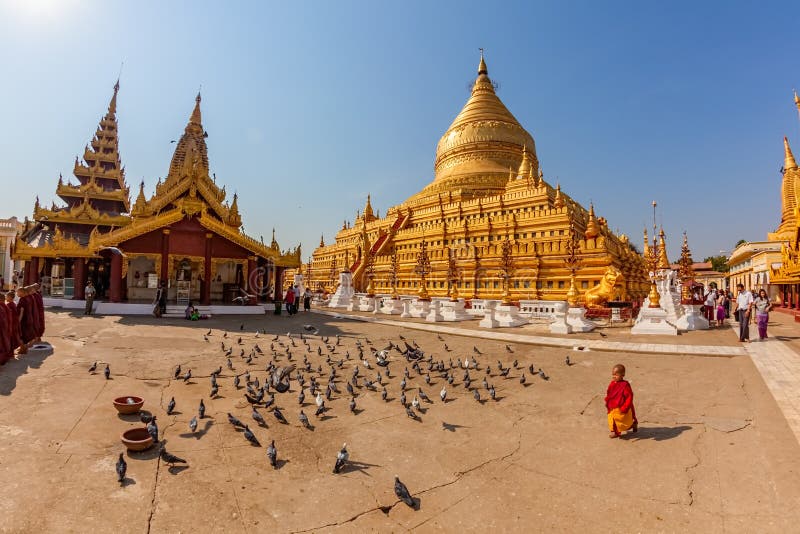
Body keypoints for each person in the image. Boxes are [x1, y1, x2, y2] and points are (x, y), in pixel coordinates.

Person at [605, 363, 637, 438]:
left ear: (622, 375)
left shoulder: (625, 385)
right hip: (612, 406)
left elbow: (629, 397)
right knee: (611, 419)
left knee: (623, 422)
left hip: (621, 407)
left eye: (616, 375)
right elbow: (609, 393)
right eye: (613, 374)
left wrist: (625, 407)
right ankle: (614, 432)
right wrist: (607, 401)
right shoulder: (612, 383)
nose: (614, 376)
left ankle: (633, 425)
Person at [5, 291, 22, 356]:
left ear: (9, 297)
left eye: (6, 296)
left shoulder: (9, 305)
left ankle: (11, 352)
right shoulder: (13, 304)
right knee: (14, 337)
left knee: (11, 337)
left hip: (12, 323)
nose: (6, 297)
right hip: (15, 323)